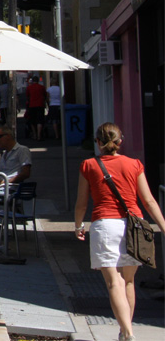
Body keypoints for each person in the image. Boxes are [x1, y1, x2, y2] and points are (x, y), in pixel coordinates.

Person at [74, 123, 165, 341]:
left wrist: (78, 225)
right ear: (120, 142)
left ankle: (128, 333)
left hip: (105, 225)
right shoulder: (135, 164)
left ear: (97, 142)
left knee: (114, 282)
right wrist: (163, 226)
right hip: (134, 226)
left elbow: (81, 203)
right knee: (129, 281)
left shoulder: (88, 165)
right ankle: (126, 331)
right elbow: (149, 201)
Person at [25, 75, 47, 140]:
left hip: (32, 105)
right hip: (40, 105)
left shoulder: (29, 88)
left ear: (32, 81)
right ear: (38, 81)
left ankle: (34, 134)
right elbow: (45, 95)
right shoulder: (42, 87)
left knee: (32, 120)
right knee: (40, 120)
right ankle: (39, 135)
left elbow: (27, 97)